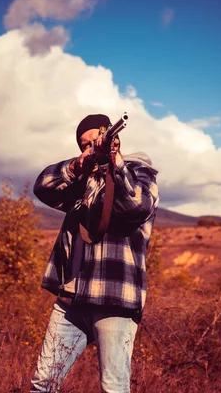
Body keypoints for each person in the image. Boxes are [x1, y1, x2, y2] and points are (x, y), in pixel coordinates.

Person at [30, 113, 159, 393]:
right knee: (42, 385)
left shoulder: (139, 172)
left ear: (114, 139)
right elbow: (42, 187)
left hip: (114, 300)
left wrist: (113, 163)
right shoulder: (82, 182)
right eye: (84, 144)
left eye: (96, 141)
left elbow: (136, 205)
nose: (91, 147)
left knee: (113, 388)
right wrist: (80, 164)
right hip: (71, 302)